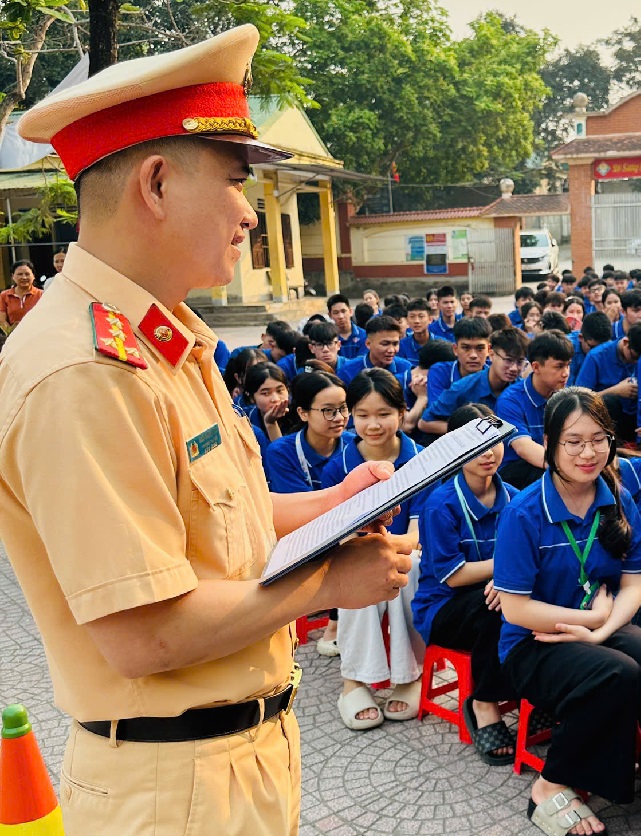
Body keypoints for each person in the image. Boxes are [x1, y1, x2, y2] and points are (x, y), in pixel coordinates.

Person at [0, 25, 414, 835]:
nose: (249, 215)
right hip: (173, 789)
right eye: (233, 182)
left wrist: (337, 502)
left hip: (231, 764)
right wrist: (330, 584)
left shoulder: (165, 339)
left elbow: (222, 522)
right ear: (156, 184)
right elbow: (144, 634)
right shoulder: (84, 371)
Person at [494, 388, 641, 836]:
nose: (587, 453)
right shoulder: (524, 512)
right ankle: (550, 784)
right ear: (549, 444)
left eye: (598, 440)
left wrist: (601, 630)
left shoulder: (618, 500)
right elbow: (515, 609)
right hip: (534, 642)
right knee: (615, 673)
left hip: (600, 628)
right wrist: (590, 622)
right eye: (573, 442)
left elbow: (633, 584)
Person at [412, 403, 520, 762]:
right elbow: (454, 576)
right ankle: (484, 704)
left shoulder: (516, 498)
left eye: (493, 442)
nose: (488, 453)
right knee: (496, 608)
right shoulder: (440, 505)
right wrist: (505, 571)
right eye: (475, 445)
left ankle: (534, 692)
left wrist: (508, 580)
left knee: (530, 600)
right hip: (444, 608)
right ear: (454, 450)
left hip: (497, 592)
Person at [323, 370, 427, 729]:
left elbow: (418, 531)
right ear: (351, 414)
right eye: (363, 415)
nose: (373, 425)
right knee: (360, 569)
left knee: (406, 566)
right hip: (354, 550)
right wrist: (373, 552)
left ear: (402, 412)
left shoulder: (420, 459)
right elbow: (334, 532)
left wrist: (387, 551)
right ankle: (353, 680)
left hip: (409, 550)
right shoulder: (339, 465)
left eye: (384, 414)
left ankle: (408, 675)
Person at [496, 330, 573, 489]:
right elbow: (523, 447)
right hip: (515, 471)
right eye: (559, 366)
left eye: (568, 365)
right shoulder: (509, 401)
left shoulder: (564, 396)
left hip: (550, 461)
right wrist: (568, 468)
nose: (566, 373)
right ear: (536, 367)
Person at [419, 327, 528, 436]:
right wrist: (471, 431)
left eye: (520, 362)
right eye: (508, 360)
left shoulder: (523, 390)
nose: (514, 368)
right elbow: (425, 423)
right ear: (491, 354)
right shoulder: (463, 388)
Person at [576, 319, 641, 443]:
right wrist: (615, 391)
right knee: (609, 401)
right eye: (635, 358)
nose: (638, 363)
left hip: (640, 419)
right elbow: (579, 399)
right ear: (626, 343)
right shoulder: (597, 357)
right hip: (609, 420)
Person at [0, 260, 43, 331]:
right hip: (14, 334)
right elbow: (2, 320)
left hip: (38, 332)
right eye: (20, 274)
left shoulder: (42, 294)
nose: (24, 277)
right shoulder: (4, 295)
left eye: (27, 274)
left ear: (33, 276)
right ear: (12, 276)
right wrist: (10, 332)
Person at [328, 292, 367, 358]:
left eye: (343, 311)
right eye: (336, 313)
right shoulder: (328, 338)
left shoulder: (363, 335)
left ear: (351, 311)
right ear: (330, 315)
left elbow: (362, 361)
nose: (341, 316)